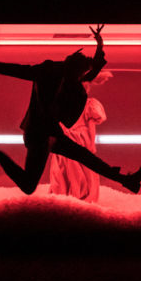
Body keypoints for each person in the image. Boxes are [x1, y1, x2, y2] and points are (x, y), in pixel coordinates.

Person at [0, 25, 141, 195]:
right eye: (81, 74)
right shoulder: (48, 70)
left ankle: (126, 180)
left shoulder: (73, 77)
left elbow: (94, 68)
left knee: (85, 157)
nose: (84, 77)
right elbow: (18, 70)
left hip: (52, 133)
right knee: (29, 186)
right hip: (38, 134)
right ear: (72, 67)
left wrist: (100, 42)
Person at [49, 70, 112, 201]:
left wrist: (91, 145)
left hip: (79, 140)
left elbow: (91, 126)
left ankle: (80, 199)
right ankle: (63, 197)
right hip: (65, 139)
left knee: (79, 172)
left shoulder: (89, 105)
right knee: (62, 171)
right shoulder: (60, 105)